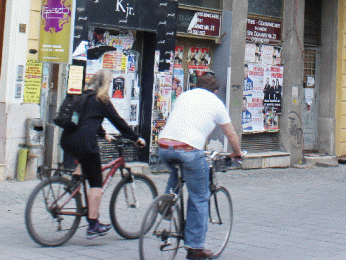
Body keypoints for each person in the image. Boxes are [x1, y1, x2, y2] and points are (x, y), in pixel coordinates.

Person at [158, 72, 242, 260]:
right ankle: (195, 248)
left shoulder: (184, 95)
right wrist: (237, 152)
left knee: (177, 166)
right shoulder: (215, 102)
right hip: (188, 148)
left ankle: (166, 202)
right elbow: (231, 134)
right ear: (215, 90)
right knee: (199, 196)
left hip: (164, 146)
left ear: (196, 85)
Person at [60, 69, 145, 239]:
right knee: (96, 182)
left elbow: (88, 120)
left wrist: (103, 134)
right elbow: (119, 121)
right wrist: (136, 138)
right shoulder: (102, 100)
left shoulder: (83, 96)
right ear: (107, 84)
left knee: (88, 162)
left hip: (67, 140)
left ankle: (75, 182)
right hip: (84, 143)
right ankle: (93, 225)